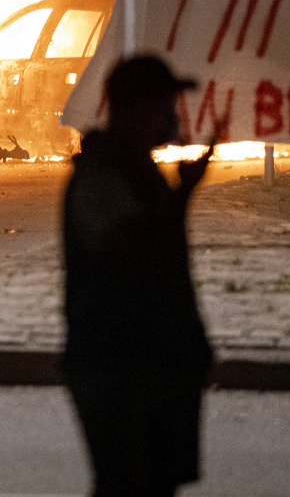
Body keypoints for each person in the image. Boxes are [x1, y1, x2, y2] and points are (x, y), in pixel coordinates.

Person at [62, 55, 217, 495]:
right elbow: (140, 253)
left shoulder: (138, 168)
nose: (173, 117)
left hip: (154, 360)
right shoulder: (101, 176)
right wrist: (185, 194)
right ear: (134, 110)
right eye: (164, 106)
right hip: (118, 367)